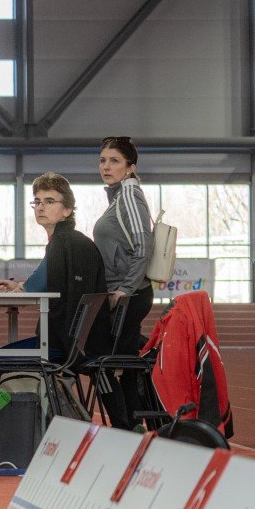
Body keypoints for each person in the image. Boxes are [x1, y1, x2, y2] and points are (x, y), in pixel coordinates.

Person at [0, 172, 110, 363]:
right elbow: (43, 282)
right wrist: (21, 286)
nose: (40, 207)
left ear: (67, 210)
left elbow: (32, 290)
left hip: (58, 346)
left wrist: (24, 288)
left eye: (49, 202)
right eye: (37, 202)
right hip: (84, 344)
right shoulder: (77, 241)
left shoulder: (61, 242)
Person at [93, 137, 155, 355]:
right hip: (122, 293)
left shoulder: (129, 195)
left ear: (130, 168)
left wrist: (125, 289)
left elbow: (143, 246)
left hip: (130, 294)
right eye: (102, 160)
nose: (106, 167)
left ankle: (159, 355)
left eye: (114, 161)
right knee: (126, 363)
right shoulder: (119, 197)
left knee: (106, 359)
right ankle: (152, 361)